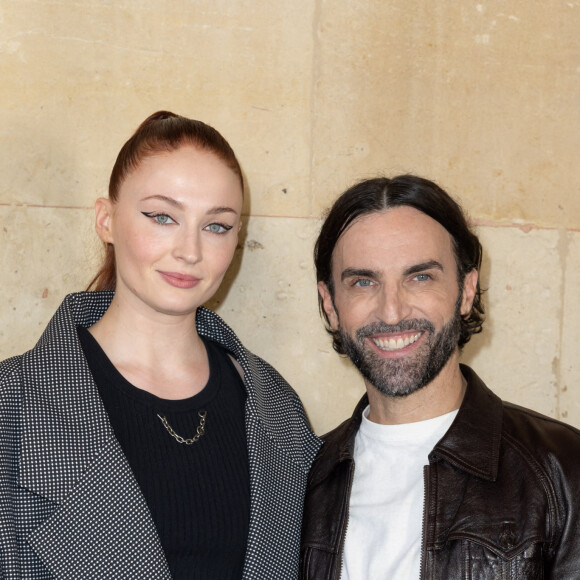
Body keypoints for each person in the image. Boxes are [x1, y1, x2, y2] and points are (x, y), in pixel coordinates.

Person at [0, 111, 321, 580]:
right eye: (162, 217)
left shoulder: (275, 406)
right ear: (106, 220)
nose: (190, 250)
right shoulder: (13, 404)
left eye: (217, 226)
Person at [300, 174, 580, 579]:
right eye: (363, 282)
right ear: (330, 304)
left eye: (420, 277)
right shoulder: (301, 476)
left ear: (467, 291)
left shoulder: (564, 471)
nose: (392, 311)